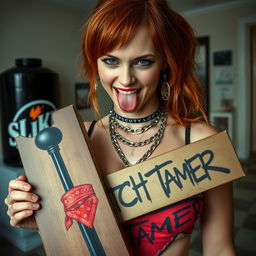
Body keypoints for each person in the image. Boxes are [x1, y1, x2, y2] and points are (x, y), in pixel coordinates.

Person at [5, 0, 236, 255]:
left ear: (165, 64)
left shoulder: (202, 142)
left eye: (143, 62)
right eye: (111, 61)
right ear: (96, 63)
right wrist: (44, 224)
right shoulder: (72, 142)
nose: (126, 79)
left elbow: (220, 249)